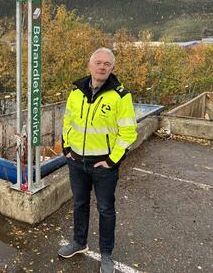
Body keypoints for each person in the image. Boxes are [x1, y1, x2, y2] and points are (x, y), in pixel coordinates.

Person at [58, 47, 137, 273]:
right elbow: (67, 122)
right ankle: (79, 242)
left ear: (112, 68)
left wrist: (112, 161)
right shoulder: (76, 92)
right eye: (98, 62)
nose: (102, 66)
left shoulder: (121, 96)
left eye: (107, 64)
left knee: (105, 210)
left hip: (103, 166)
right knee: (79, 204)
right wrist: (66, 148)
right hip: (77, 162)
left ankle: (106, 255)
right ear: (90, 65)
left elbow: (128, 133)